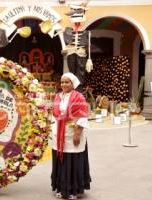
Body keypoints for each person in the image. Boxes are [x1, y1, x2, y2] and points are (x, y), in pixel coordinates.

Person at [51, 72, 91, 200]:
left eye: (67, 82)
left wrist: (77, 133)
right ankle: (62, 188)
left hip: (72, 132)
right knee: (61, 160)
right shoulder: (58, 96)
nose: (63, 84)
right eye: (62, 82)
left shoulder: (79, 97)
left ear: (73, 83)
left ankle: (73, 190)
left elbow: (82, 115)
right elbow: (54, 114)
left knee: (72, 160)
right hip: (59, 133)